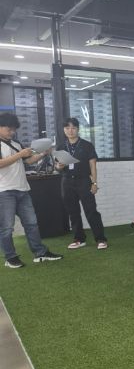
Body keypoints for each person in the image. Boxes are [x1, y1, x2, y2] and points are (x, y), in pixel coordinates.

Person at [0, 113, 63, 268]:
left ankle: (40, 253)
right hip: (4, 191)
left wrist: (43, 153)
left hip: (23, 189)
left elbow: (28, 161)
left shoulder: (16, 143)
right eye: (9, 129)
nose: (12, 132)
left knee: (32, 224)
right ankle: (10, 258)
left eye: (14, 129)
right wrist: (20, 154)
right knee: (7, 228)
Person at [55, 118, 108, 250]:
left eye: (73, 128)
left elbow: (93, 165)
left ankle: (100, 239)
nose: (70, 131)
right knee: (73, 212)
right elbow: (57, 166)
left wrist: (94, 183)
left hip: (84, 181)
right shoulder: (61, 147)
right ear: (64, 130)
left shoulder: (87, 145)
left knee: (91, 211)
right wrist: (59, 166)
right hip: (67, 181)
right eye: (67, 128)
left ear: (78, 129)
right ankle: (79, 239)